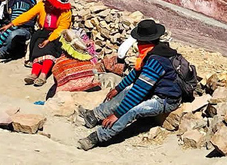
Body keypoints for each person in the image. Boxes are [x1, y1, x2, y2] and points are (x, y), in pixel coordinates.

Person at [77, 19, 182, 150]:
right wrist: (118, 88)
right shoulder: (154, 52)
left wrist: (116, 115)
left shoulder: (156, 60)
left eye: (140, 41)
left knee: (132, 111)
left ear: (146, 42)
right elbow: (136, 73)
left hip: (165, 100)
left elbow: (139, 91)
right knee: (125, 92)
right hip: (155, 90)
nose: (137, 43)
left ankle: (98, 137)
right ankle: (94, 116)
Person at [0, 0, 72, 87]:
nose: (45, 2)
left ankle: (43, 75)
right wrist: (11, 24)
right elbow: (28, 15)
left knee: (48, 49)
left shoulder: (65, 12)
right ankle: (34, 74)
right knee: (37, 48)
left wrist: (49, 39)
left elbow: (62, 28)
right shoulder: (42, 5)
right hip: (42, 32)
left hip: (56, 35)